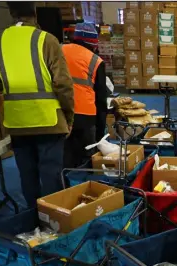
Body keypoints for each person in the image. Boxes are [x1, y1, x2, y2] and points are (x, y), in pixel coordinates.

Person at [0, 1, 74, 209]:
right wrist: (68, 116)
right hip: (48, 120)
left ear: (11, 12)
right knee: (51, 175)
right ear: (34, 12)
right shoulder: (46, 40)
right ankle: (53, 223)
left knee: (27, 175)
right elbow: (63, 84)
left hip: (17, 121)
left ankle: (33, 220)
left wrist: (10, 84)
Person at [62, 22, 108, 168]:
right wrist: (101, 132)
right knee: (87, 157)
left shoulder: (58, 50)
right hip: (85, 115)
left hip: (60, 112)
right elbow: (101, 99)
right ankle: (85, 185)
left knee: (65, 154)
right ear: (93, 43)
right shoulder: (95, 60)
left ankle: (66, 187)